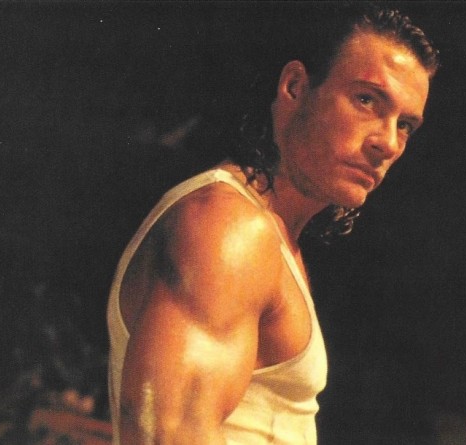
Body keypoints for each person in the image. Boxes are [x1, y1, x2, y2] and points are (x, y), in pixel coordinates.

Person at [107, 4, 439, 443]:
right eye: (366, 100)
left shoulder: (264, 230)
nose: (389, 142)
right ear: (295, 86)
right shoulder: (228, 226)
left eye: (406, 125)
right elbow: (164, 435)